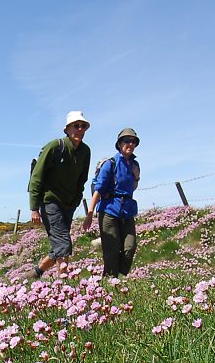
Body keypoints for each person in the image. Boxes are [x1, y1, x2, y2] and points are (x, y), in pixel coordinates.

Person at [27, 111, 92, 279]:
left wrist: (77, 200)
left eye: (83, 126)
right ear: (68, 129)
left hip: (69, 204)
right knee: (63, 243)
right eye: (76, 126)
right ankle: (63, 288)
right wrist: (34, 208)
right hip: (50, 202)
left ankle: (36, 272)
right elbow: (36, 177)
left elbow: (82, 179)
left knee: (59, 245)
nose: (80, 129)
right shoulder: (55, 147)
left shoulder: (85, 151)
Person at [83, 127, 140, 277]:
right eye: (127, 141)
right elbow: (99, 189)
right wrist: (90, 213)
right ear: (120, 144)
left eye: (133, 141)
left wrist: (136, 177)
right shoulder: (111, 163)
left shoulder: (134, 165)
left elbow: (132, 188)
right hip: (109, 211)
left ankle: (117, 277)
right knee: (112, 251)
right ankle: (110, 282)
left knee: (130, 247)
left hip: (127, 211)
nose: (130, 144)